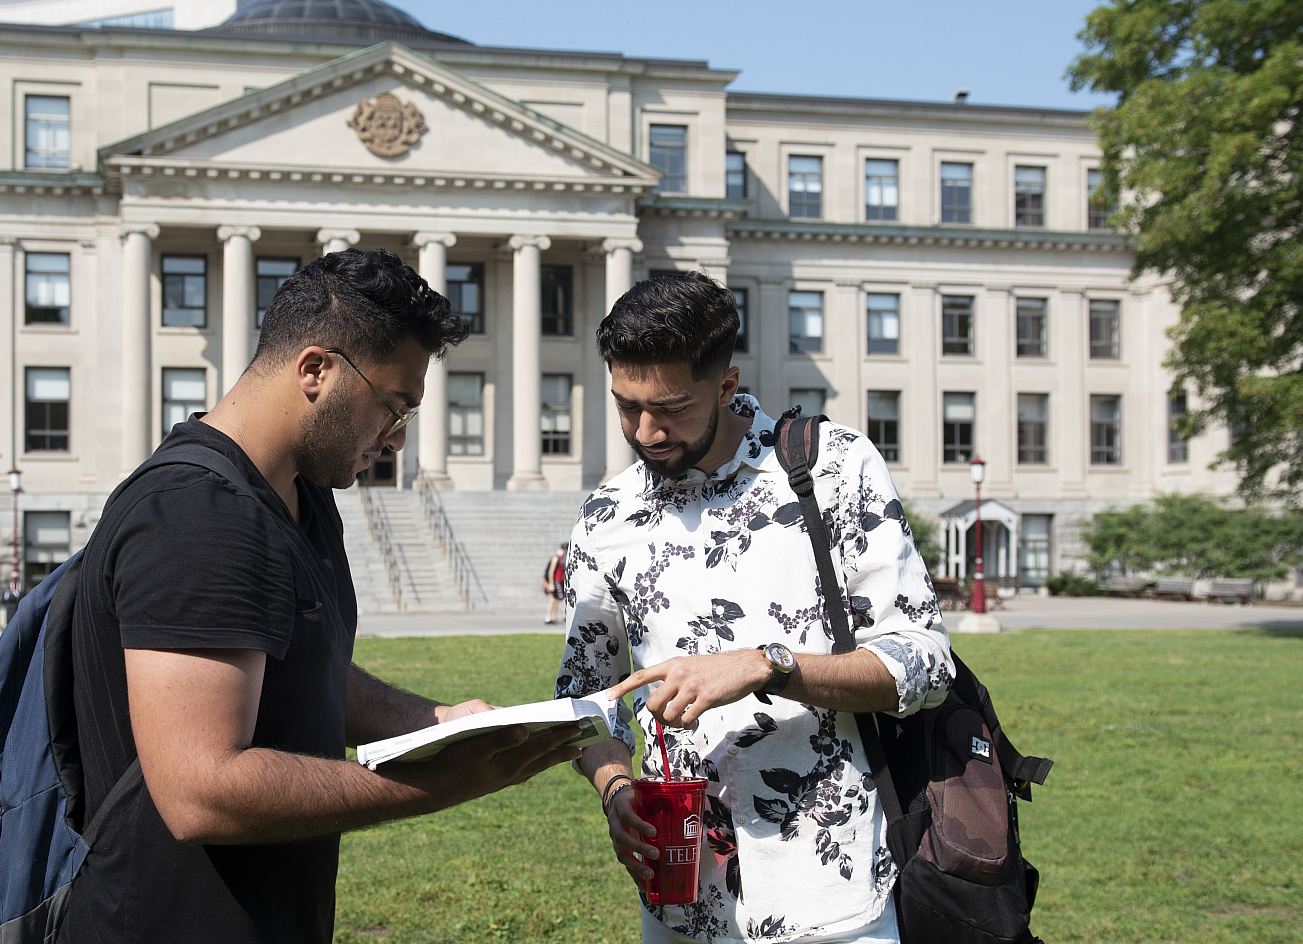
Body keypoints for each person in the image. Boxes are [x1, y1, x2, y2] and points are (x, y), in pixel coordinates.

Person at [61, 248, 583, 943]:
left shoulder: (304, 495)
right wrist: (444, 782)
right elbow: (199, 792)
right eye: (393, 405)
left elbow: (306, 677)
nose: (396, 439)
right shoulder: (197, 515)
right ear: (316, 370)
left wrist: (437, 719)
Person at [556, 272, 953, 944]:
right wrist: (615, 789)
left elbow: (924, 662)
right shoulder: (606, 517)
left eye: (672, 408)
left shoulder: (835, 469)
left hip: (833, 899)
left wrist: (769, 667)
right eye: (627, 406)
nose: (646, 431)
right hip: (683, 906)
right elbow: (583, 700)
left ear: (726, 384)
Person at [542, 543, 569, 626]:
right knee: (555, 599)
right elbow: (551, 571)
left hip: (560, 581)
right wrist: (551, 583)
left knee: (555, 599)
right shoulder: (556, 558)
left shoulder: (563, 558)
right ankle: (550, 617)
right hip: (555, 581)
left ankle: (553, 617)